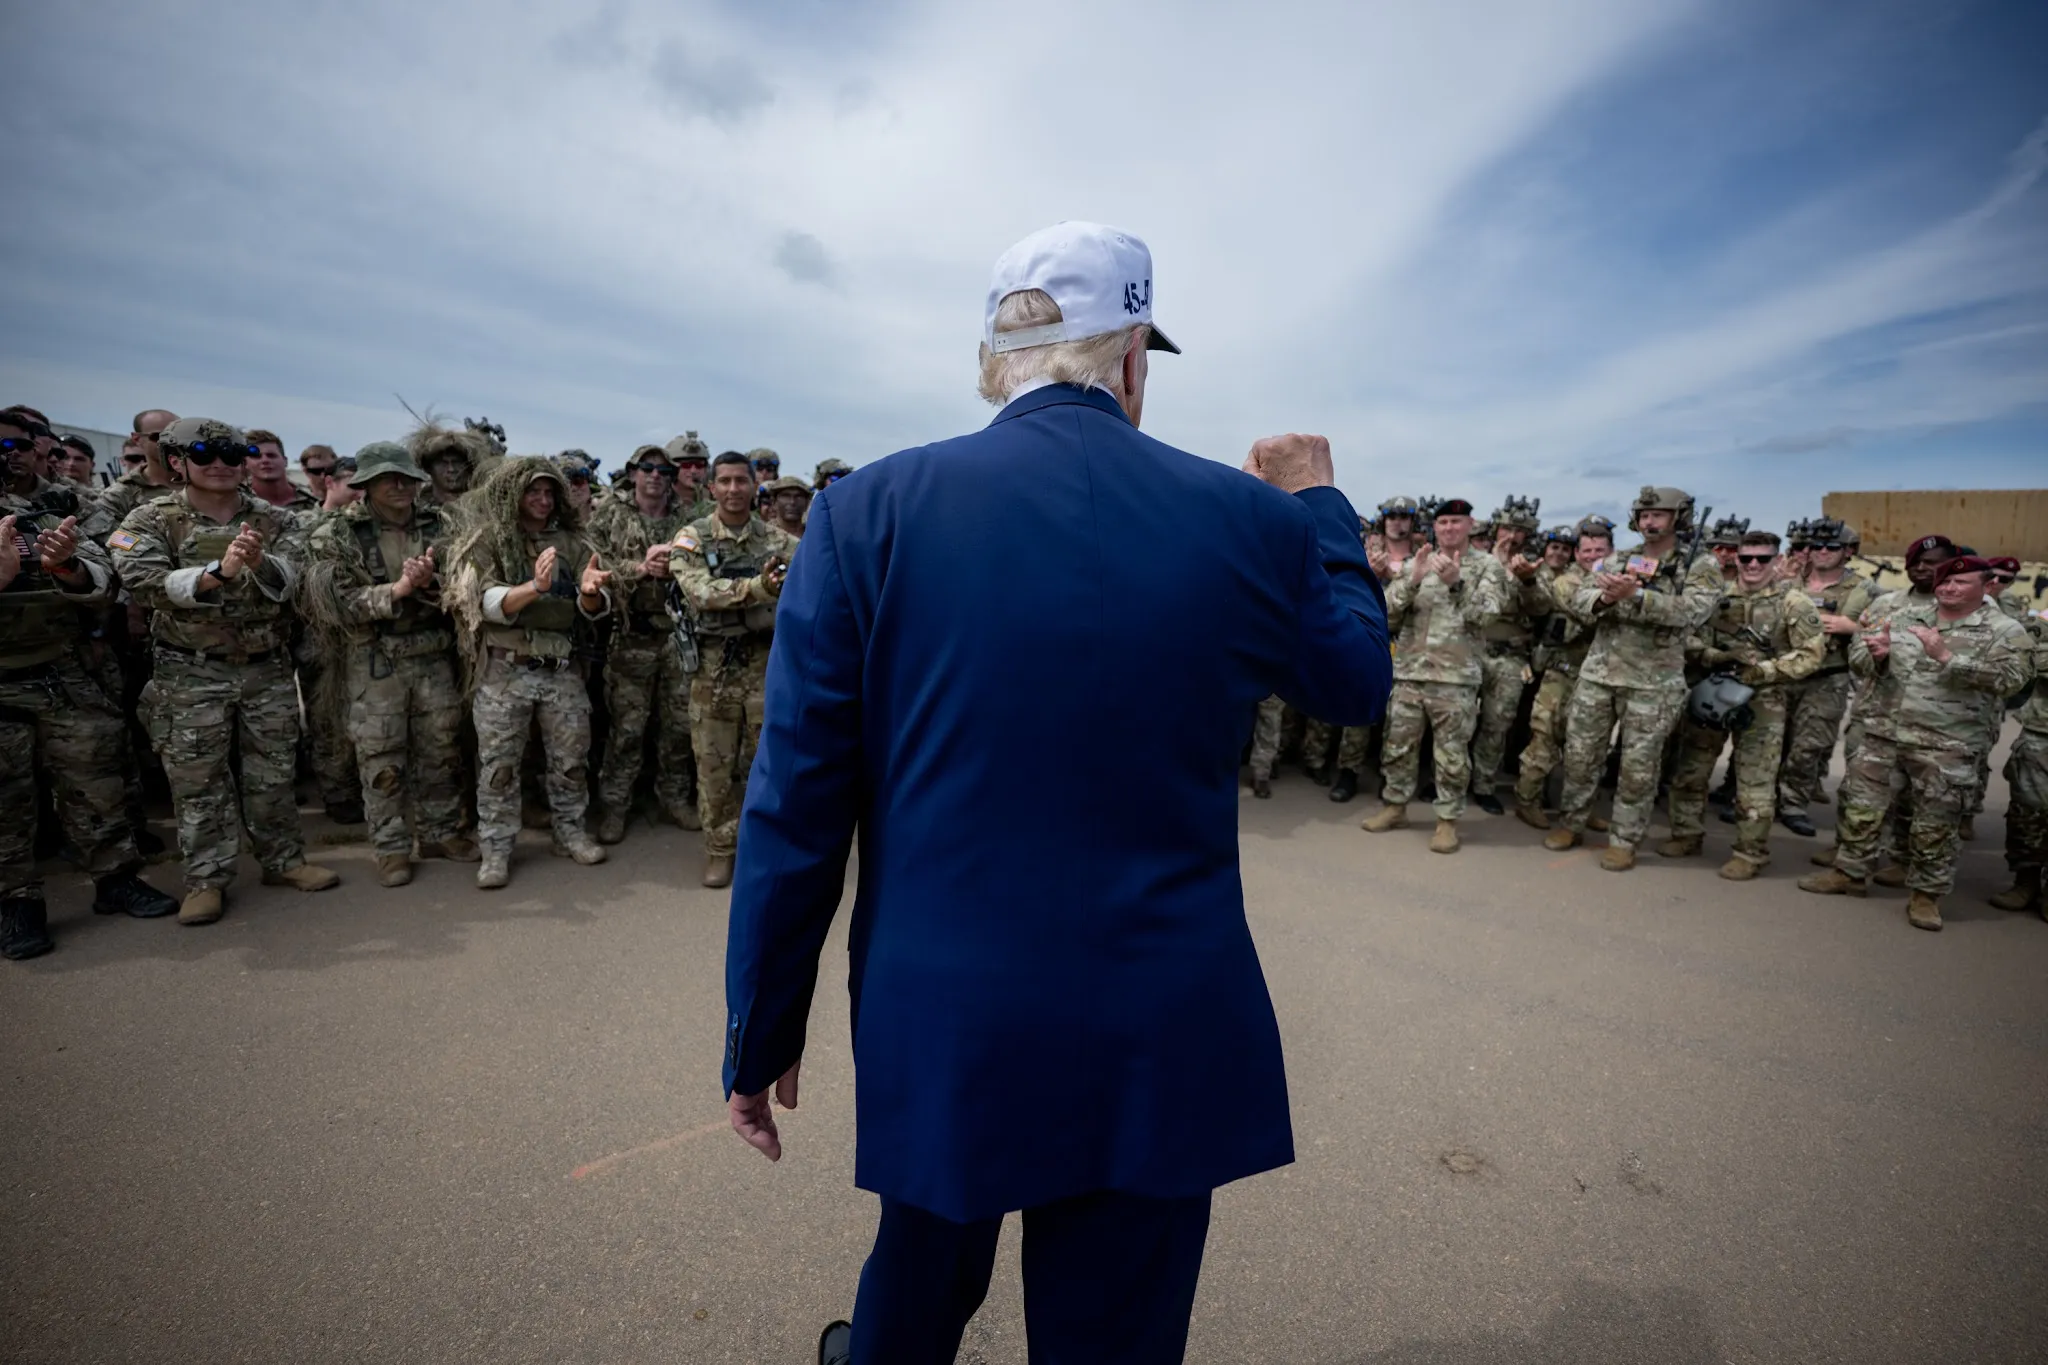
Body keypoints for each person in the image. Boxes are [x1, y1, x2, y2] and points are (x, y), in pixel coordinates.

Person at [719, 222, 1390, 1365]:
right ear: (1131, 354)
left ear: (997, 357)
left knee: (920, 1271)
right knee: (1114, 1324)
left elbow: (797, 798)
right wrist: (1320, 507)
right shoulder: (1250, 523)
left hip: (948, 1007)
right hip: (1159, 1007)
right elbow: (1353, 683)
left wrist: (761, 1022)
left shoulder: (865, 510)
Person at [109, 418, 341, 924]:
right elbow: (141, 579)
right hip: (190, 672)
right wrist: (218, 574)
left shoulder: (275, 519)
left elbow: (302, 578)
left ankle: (283, 861)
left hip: (266, 669)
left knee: (273, 774)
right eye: (204, 453)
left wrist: (260, 564)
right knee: (199, 780)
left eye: (232, 455)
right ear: (177, 461)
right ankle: (207, 879)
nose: (220, 464)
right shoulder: (151, 518)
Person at [1, 436, 176, 958]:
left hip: (61, 668)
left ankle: (116, 878)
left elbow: (106, 575)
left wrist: (68, 568)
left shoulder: (47, 510)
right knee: (6, 797)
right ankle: (16, 902)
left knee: (94, 776)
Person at [1798, 556, 2031, 930]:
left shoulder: (2004, 629)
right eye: (1944, 582)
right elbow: (1862, 656)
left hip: (1946, 743)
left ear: (1985, 585)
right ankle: (1850, 873)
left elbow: (2013, 681)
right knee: (1861, 806)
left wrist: (1947, 658)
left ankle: (1926, 895)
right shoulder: (1904, 616)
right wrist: (1879, 657)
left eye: (1961, 582)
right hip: (1883, 732)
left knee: (1935, 821)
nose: (1949, 588)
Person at [299, 443, 477, 886]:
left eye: (406, 478)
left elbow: (471, 582)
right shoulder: (336, 533)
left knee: (441, 748)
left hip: (434, 653)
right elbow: (331, 604)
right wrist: (396, 591)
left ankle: (440, 832)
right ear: (365, 485)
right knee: (381, 756)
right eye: (386, 479)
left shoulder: (445, 525)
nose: (399, 486)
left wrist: (436, 585)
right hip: (373, 659)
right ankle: (391, 846)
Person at [447, 456, 612, 889]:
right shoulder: (488, 542)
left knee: (571, 761)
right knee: (499, 766)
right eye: (532, 492)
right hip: (505, 671)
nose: (542, 500)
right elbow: (482, 602)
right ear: (512, 495)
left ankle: (570, 832)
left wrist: (591, 593)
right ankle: (496, 850)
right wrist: (534, 588)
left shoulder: (572, 543)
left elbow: (588, 608)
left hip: (560, 670)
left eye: (548, 492)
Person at [1543, 487, 1721, 870]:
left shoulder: (1699, 565)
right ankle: (1571, 822)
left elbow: (1695, 612)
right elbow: (1580, 601)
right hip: (1600, 673)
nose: (1649, 521)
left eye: (1658, 514)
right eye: (1644, 514)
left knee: (1638, 768)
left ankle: (1624, 839)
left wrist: (1638, 598)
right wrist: (1607, 600)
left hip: (1653, 682)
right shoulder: (1620, 559)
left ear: (1678, 517)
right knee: (1579, 756)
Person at [1659, 531, 1824, 879]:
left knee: (1755, 780)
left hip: (1763, 699)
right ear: (1735, 559)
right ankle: (1686, 834)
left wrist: (1763, 671)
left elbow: (1810, 656)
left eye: (1762, 558)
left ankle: (1750, 853)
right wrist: (1715, 655)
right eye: (1745, 557)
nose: (1752, 564)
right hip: (1714, 690)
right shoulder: (1718, 598)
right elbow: (1688, 638)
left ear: (1777, 561)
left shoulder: (1793, 603)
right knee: (1692, 769)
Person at [668, 451, 796, 888]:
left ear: (753, 486)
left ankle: (765, 849)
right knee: (714, 765)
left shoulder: (777, 541)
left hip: (765, 666)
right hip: (714, 668)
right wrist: (758, 588)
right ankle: (720, 851)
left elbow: (819, 568)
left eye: (741, 481)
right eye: (724, 481)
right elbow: (698, 592)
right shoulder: (692, 537)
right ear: (711, 488)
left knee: (767, 764)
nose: (733, 489)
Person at [1360, 499, 1508, 853]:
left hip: (1455, 678)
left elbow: (1487, 615)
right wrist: (1410, 581)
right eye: (1442, 523)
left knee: (1451, 756)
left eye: (1456, 522)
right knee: (1398, 747)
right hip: (1410, 672)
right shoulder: (1418, 561)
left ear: (1470, 525)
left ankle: (1447, 821)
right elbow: (1389, 614)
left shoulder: (1488, 566)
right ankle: (1395, 807)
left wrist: (1457, 584)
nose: (1449, 529)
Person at [589, 444, 701, 843]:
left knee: (677, 727)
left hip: (676, 636)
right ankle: (615, 807)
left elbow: (703, 562)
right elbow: (593, 567)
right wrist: (639, 568)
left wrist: (675, 566)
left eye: (663, 470)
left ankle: (673, 799)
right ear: (634, 473)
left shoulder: (688, 518)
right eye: (647, 468)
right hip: (630, 635)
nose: (655, 476)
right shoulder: (611, 515)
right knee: (627, 730)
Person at [1774, 518, 1876, 837]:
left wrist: (1853, 627)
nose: (1821, 552)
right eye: (1815, 546)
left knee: (1809, 745)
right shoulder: (1789, 580)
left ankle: (1792, 803)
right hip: (1783, 672)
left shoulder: (1861, 588)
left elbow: (1864, 625)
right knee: (1770, 741)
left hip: (1826, 676)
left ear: (1848, 552)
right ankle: (1758, 799)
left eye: (1831, 547)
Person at [1514, 518, 1609, 828]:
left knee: (1589, 749)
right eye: (1587, 550)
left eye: (1600, 550)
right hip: (1562, 674)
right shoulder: (1566, 582)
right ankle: (1527, 801)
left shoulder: (1616, 581)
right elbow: (1591, 612)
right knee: (1544, 739)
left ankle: (1581, 808)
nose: (1592, 555)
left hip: (1600, 678)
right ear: (1577, 554)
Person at [1468, 496, 1545, 816]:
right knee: (1458, 721)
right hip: (1473, 650)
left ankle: (1484, 784)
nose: (1511, 536)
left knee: (1497, 724)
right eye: (1506, 529)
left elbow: (1541, 609)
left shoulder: (1531, 566)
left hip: (1510, 658)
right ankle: (1446, 779)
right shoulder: (1476, 560)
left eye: (1519, 531)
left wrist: (1526, 580)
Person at [1990, 603, 2048, 918]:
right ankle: (2025, 882)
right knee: (2028, 811)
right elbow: (2030, 661)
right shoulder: (2043, 620)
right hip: (2042, 732)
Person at [245, 429, 318, 511]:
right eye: (257, 457)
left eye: (271, 455)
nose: (265, 460)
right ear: (246, 464)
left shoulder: (315, 500)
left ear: (285, 461)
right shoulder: (239, 502)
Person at [666, 432, 715, 519]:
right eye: (686, 465)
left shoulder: (713, 497)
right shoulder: (662, 499)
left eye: (699, 465)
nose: (693, 471)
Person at [763, 475, 811, 539]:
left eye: (799, 496)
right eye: (785, 496)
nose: (792, 502)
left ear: (807, 503)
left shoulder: (816, 535)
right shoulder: (762, 535)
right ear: (774, 502)